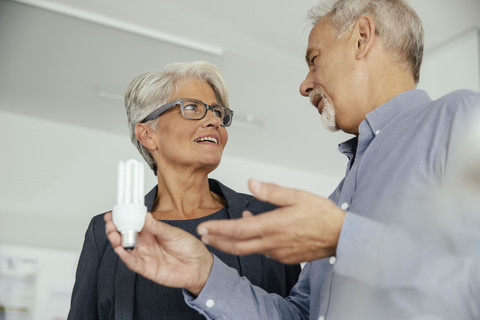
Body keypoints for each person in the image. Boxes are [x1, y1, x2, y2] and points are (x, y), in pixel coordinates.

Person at [105, 1, 480, 319]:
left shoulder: (461, 118)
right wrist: (203, 275)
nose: (304, 84)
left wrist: (344, 238)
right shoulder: (339, 199)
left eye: (314, 60)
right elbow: (299, 314)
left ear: (362, 38)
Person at [67, 61, 301, 319]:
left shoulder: (268, 217)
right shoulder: (104, 232)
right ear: (147, 135)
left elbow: (301, 313)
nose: (214, 120)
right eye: (193, 108)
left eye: (217, 112)